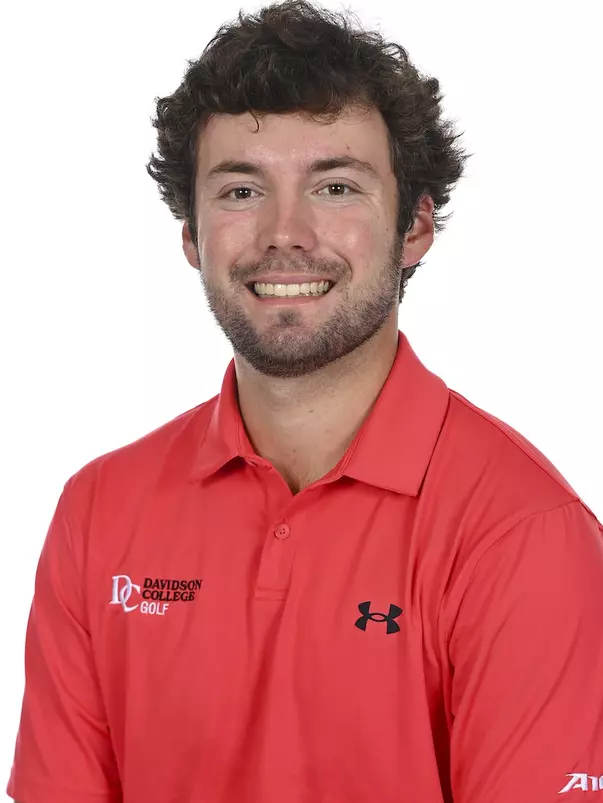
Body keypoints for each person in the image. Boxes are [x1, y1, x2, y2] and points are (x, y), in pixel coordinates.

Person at [6, 0, 603, 801]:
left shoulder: (521, 533)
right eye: (241, 191)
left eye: (334, 185)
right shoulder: (97, 512)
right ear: (191, 235)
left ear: (415, 228)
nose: (284, 233)